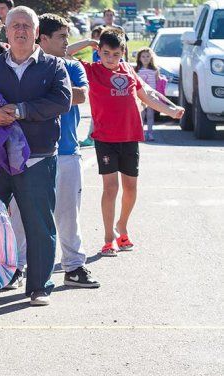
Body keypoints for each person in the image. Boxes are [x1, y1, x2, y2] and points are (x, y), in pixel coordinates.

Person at [0, 6, 72, 306]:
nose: (21, 30)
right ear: (5, 32)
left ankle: (39, 286)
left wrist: (22, 111)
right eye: (15, 26)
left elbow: (62, 101)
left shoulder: (53, 66)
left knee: (38, 224)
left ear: (37, 32)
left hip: (37, 158)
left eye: (27, 25)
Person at [69, 29, 184, 257]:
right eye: (105, 53)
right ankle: (108, 238)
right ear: (99, 52)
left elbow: (147, 96)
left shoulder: (129, 70)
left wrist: (170, 111)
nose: (110, 58)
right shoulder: (92, 71)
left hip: (130, 137)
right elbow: (64, 53)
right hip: (105, 138)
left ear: (123, 52)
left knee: (130, 189)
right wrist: (90, 42)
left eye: (114, 54)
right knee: (110, 188)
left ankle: (122, 226)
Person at [36, 13, 100, 288]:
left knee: (68, 214)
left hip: (67, 152)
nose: (67, 42)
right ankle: (15, 268)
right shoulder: (27, 66)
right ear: (44, 39)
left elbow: (81, 95)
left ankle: (74, 266)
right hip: (32, 153)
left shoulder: (74, 67)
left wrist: (41, 94)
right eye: (62, 37)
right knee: (27, 215)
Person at [135, 47, 161, 141]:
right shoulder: (137, 70)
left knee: (150, 115)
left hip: (151, 95)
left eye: (147, 56)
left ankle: (150, 133)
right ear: (139, 58)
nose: (145, 58)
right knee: (141, 115)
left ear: (151, 57)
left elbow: (157, 81)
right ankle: (141, 132)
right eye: (143, 56)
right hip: (140, 96)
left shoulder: (155, 70)